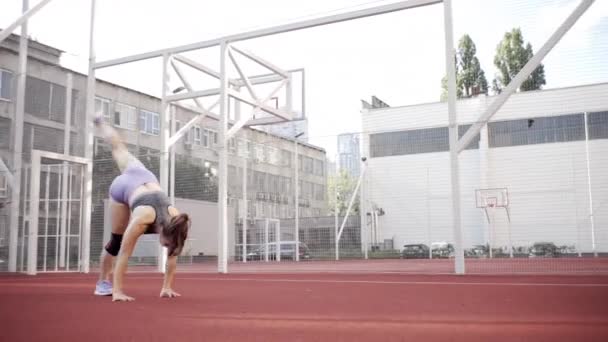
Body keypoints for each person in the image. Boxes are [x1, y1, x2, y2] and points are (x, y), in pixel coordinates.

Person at [93, 117, 190, 302]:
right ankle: (102, 283)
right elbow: (124, 254)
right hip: (124, 187)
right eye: (166, 243)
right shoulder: (142, 219)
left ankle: (101, 122)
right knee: (116, 242)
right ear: (162, 231)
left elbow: (173, 255)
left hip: (144, 174)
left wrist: (167, 287)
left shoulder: (177, 221)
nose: (166, 247)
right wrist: (118, 291)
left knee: (119, 148)